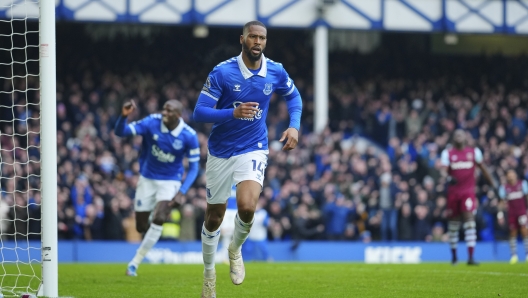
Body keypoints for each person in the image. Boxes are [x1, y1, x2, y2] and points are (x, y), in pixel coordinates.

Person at [193, 20, 302, 298]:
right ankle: (208, 274)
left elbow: (294, 97)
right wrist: (233, 112)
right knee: (214, 218)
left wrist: (294, 125)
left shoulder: (274, 71)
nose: (257, 42)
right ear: (242, 39)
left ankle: (235, 249)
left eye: (262, 38)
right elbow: (200, 112)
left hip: (253, 146)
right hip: (220, 150)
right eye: (252, 37)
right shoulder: (223, 72)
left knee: (247, 206)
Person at [114, 99, 200, 276]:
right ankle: (152, 218)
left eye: (169, 111)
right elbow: (120, 132)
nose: (164, 113)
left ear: (178, 115)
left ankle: (134, 263)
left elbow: (194, 168)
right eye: (164, 109)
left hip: (170, 181)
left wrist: (182, 191)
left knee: (160, 217)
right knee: (140, 226)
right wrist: (123, 117)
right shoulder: (151, 122)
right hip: (147, 179)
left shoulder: (188, 135)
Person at [440, 129, 495, 265]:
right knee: (453, 225)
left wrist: (493, 183)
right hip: (453, 193)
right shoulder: (447, 153)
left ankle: (470, 257)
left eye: (461, 134)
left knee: (469, 221)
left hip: (468, 192)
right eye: (456, 134)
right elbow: (442, 171)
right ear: (453, 138)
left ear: (465, 138)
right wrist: (448, 177)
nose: (459, 137)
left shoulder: (474, 152)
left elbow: (483, 169)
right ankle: (454, 257)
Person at [498, 169, 528, 264]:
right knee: (512, 233)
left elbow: (527, 198)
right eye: (509, 174)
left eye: (512, 174)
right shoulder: (504, 188)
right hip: (511, 214)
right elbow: (501, 202)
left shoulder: (522, 184)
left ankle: (527, 254)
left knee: (524, 232)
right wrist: (500, 215)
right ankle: (514, 256)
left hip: (522, 212)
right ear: (507, 177)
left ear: (515, 175)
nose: (511, 176)